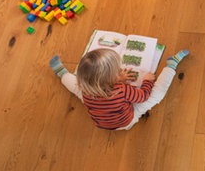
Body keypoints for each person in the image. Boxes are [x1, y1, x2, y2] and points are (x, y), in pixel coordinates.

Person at [49, 48, 189, 130]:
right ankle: (171, 65)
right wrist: (147, 81)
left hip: (100, 122)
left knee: (75, 87)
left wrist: (116, 78)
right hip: (125, 122)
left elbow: (102, 85)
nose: (120, 69)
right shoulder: (121, 90)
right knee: (156, 95)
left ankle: (62, 73)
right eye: (117, 71)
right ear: (111, 80)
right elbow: (143, 96)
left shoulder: (85, 87)